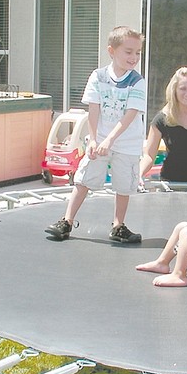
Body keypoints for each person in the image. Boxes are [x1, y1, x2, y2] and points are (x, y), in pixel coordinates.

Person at [46, 26, 147, 243]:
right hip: (100, 140)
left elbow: (130, 114)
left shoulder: (137, 81)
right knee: (84, 179)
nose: (134, 57)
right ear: (112, 51)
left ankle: (118, 225)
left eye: (138, 52)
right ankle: (67, 221)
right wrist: (93, 139)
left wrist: (110, 140)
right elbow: (94, 108)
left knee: (123, 185)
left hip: (126, 144)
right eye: (128, 52)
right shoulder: (98, 76)